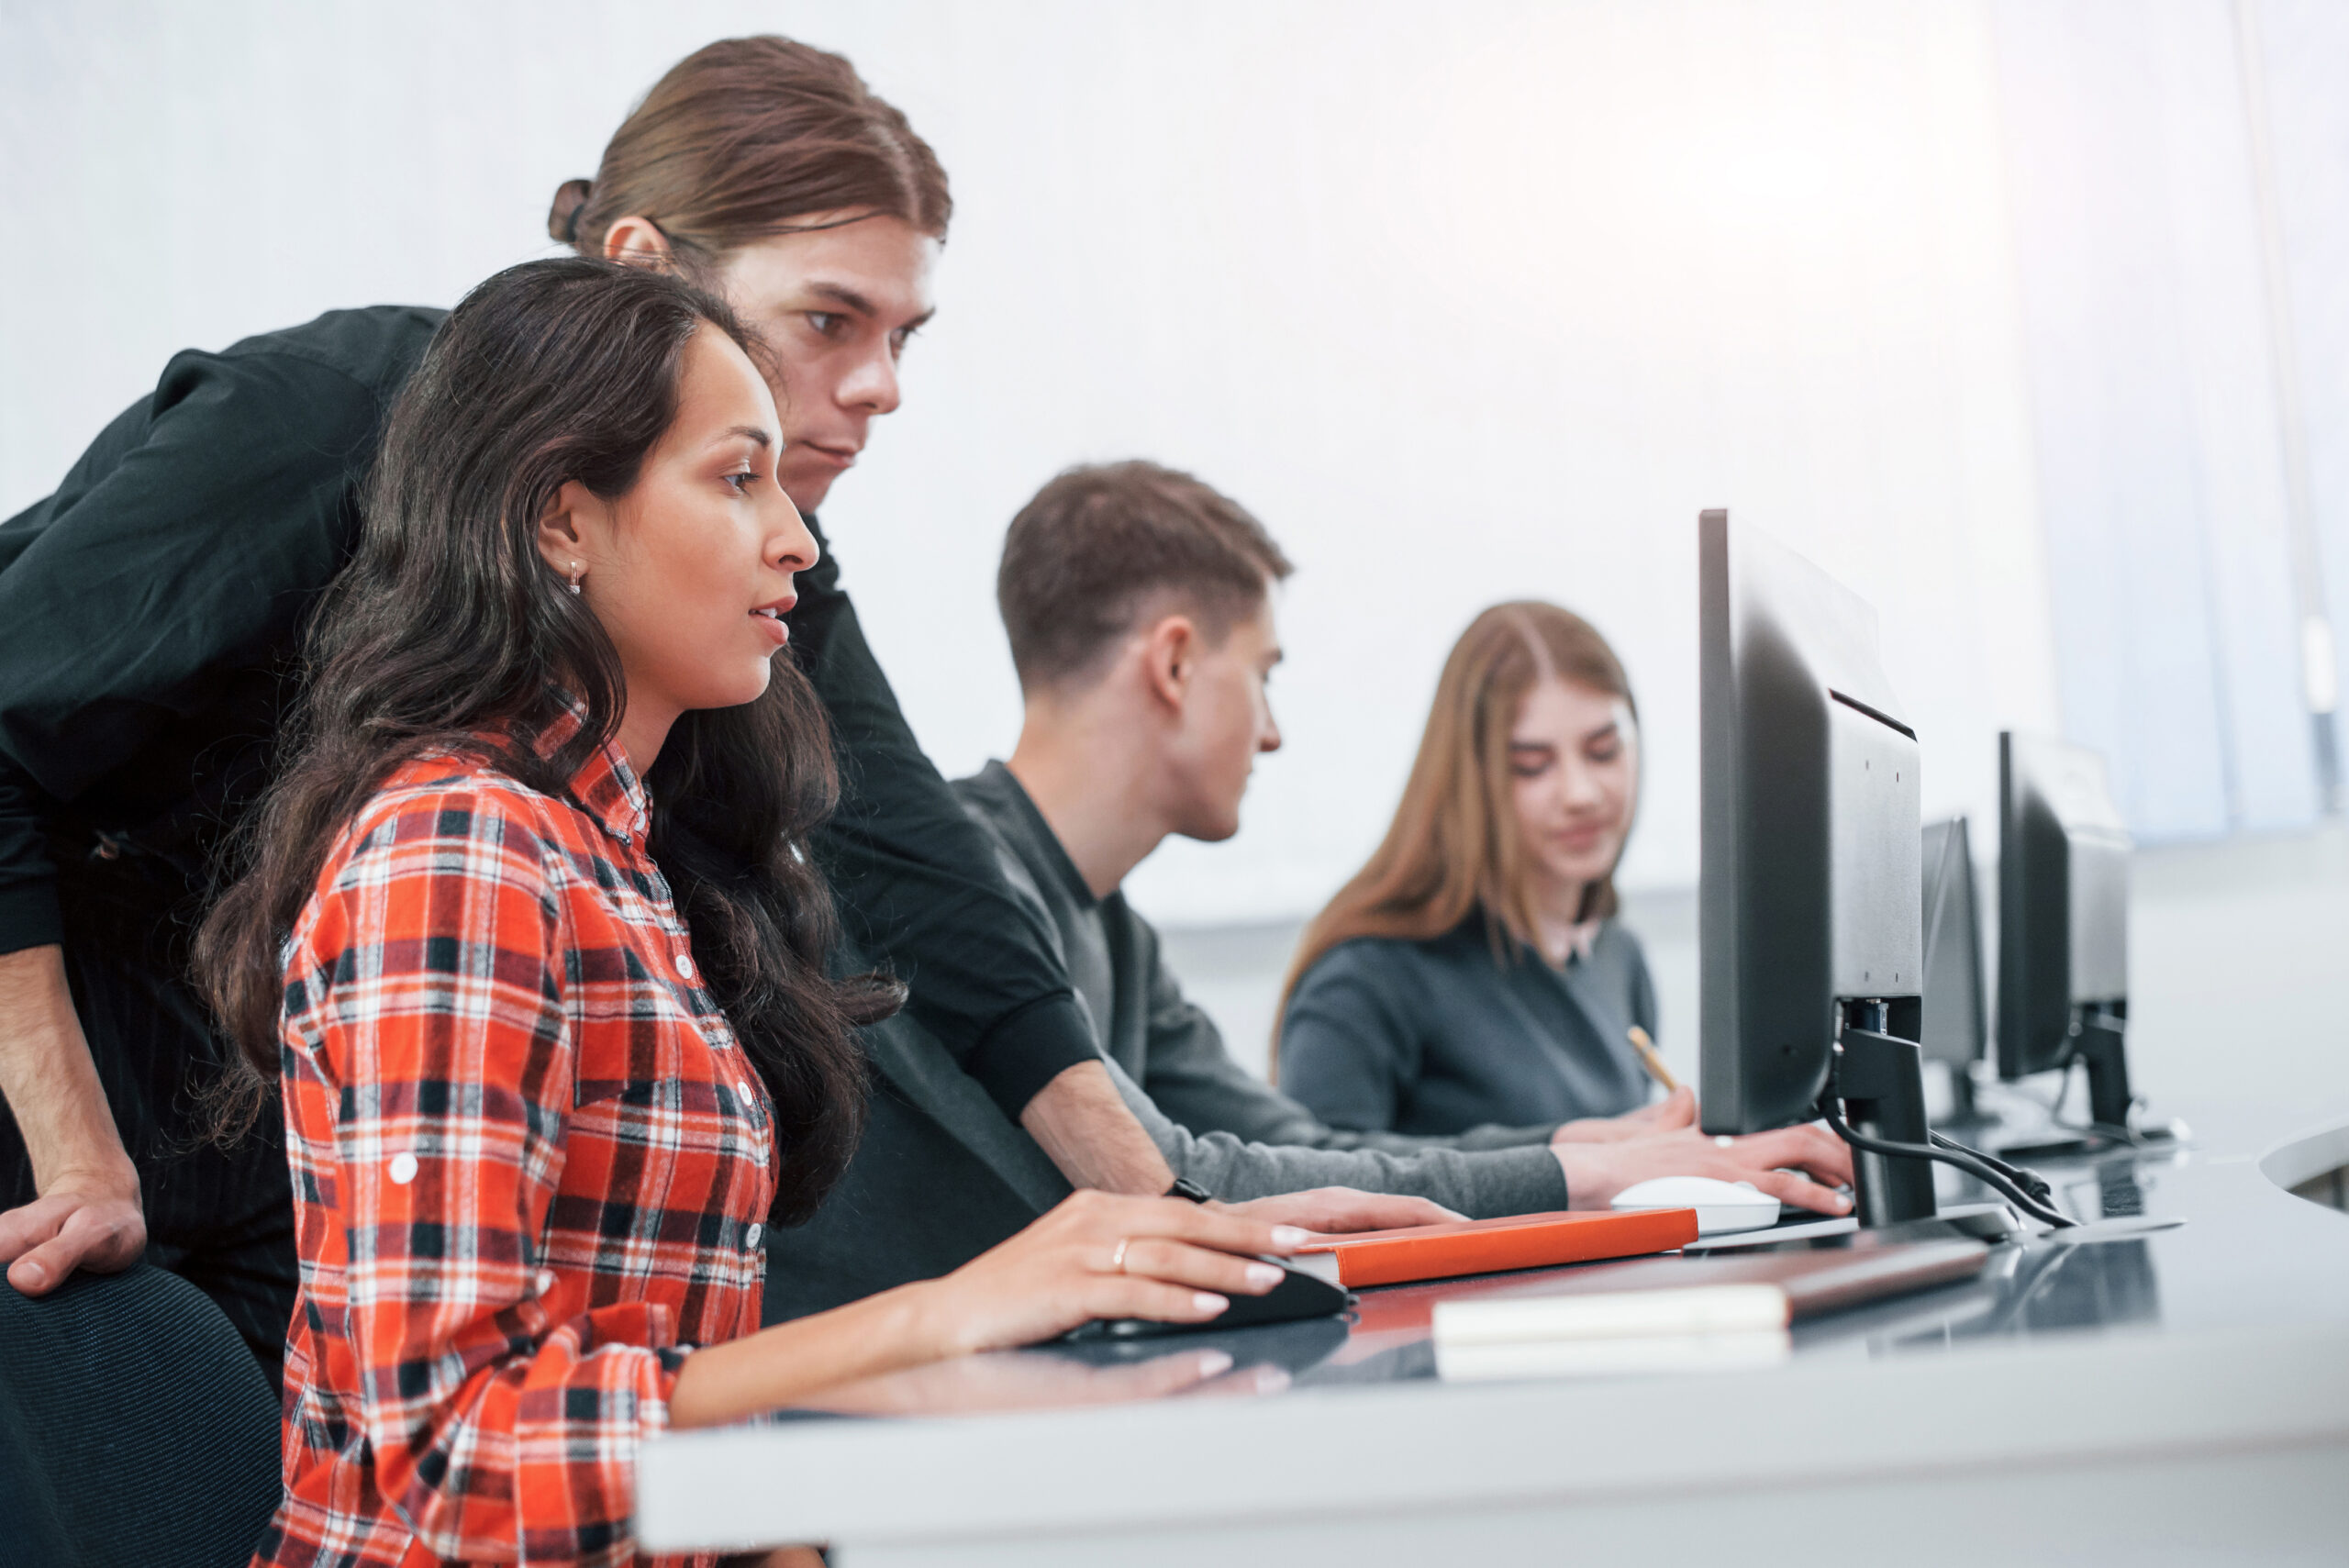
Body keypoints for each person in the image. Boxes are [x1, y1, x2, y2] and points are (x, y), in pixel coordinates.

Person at [0, 36, 1192, 1370]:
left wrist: (1157, 1207)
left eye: (901, 337)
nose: (881, 388)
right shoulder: (329, 440)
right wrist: (73, 1143)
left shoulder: (683, 671)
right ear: (640, 268)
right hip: (67, 1067)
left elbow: (909, 856)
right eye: (827, 320)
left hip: (274, 1109)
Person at [198, 257, 1307, 1568]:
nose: (797, 536)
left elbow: (673, 1375)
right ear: (563, 522)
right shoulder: (462, 848)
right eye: (738, 478)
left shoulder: (615, 851)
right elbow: (449, 1453)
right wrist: (927, 1326)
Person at [954, 462, 1854, 1219]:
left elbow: (1296, 1145)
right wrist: (1577, 1172)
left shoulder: (1114, 929)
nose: (1271, 731)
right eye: (1264, 675)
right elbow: (1195, 1178)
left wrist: (1567, 1143)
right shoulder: (963, 886)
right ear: (1176, 663)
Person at [1279, 600, 1698, 1142]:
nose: (1580, 794)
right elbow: (1314, 1188)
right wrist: (1571, 1157)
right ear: (1470, 777)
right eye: (1531, 766)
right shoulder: (1368, 977)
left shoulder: (1619, 958)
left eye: (1603, 751)